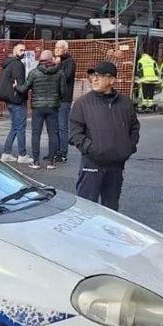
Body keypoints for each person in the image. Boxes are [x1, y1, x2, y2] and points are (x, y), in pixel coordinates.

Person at [68, 60, 139, 209]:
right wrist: (94, 150)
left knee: (111, 209)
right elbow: (74, 133)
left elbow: (134, 128)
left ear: (112, 80)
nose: (94, 79)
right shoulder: (82, 103)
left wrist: (127, 148)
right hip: (92, 164)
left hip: (116, 166)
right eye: (94, 76)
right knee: (86, 208)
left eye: (100, 76)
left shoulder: (125, 103)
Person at [25, 49, 64, 170]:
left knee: (36, 134)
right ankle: (51, 162)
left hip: (37, 107)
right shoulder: (59, 73)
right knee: (53, 133)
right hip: (53, 106)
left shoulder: (34, 73)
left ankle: (36, 161)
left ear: (40, 60)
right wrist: (57, 98)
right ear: (52, 59)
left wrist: (16, 87)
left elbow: (24, 88)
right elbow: (63, 91)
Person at [0, 42, 30, 164]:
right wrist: (23, 91)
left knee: (15, 126)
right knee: (20, 127)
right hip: (17, 99)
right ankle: (22, 154)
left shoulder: (7, 63)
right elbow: (20, 83)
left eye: (24, 50)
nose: (23, 52)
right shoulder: (17, 65)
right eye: (21, 50)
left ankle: (6, 153)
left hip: (9, 99)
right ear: (14, 50)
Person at [54, 39, 75, 164]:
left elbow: (64, 77)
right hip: (54, 98)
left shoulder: (69, 62)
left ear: (65, 49)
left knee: (62, 127)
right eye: (56, 47)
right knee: (54, 127)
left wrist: (58, 65)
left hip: (64, 99)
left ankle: (63, 152)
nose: (56, 49)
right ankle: (55, 151)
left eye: (59, 47)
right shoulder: (56, 61)